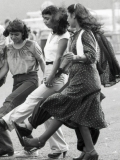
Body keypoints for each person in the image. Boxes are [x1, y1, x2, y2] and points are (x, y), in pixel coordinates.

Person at [18, 3, 107, 160]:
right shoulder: (77, 33)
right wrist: (63, 68)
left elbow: (92, 56)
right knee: (80, 116)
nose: (67, 18)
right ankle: (90, 152)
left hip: (84, 81)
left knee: (59, 104)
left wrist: (75, 58)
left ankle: (40, 140)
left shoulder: (85, 33)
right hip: (80, 79)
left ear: (74, 16)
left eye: (69, 15)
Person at [0, 5, 70, 158]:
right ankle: (57, 147)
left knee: (27, 102)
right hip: (33, 78)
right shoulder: (52, 34)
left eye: (48, 18)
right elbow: (8, 67)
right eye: (44, 18)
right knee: (46, 112)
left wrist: (48, 76)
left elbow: (56, 60)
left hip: (43, 78)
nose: (45, 21)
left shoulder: (60, 37)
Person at [0, 18, 45, 158]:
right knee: (16, 117)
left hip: (31, 80)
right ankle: (30, 148)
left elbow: (42, 61)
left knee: (10, 101)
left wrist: (47, 78)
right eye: (11, 34)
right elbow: (6, 67)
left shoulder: (32, 45)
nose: (13, 37)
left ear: (23, 33)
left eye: (17, 34)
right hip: (17, 81)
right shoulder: (8, 48)